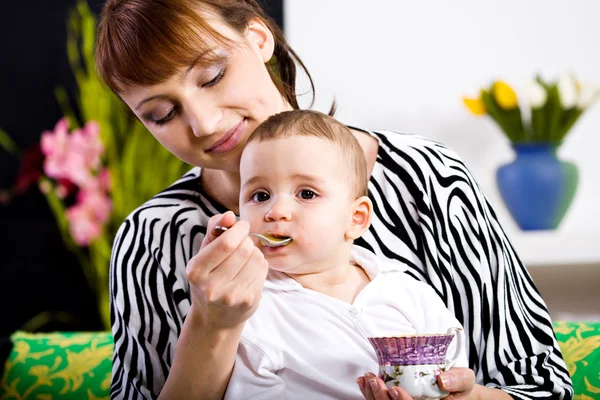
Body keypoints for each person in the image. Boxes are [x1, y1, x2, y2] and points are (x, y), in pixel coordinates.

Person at [94, 1, 573, 399]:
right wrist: (212, 326)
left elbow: (540, 383)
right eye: (161, 114)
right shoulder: (153, 240)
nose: (204, 123)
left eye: (213, 75)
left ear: (259, 39)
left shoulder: (427, 179)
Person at [224, 109, 468, 399]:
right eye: (260, 196)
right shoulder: (253, 312)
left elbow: (454, 372)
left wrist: (451, 386)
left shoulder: (408, 292)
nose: (276, 212)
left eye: (306, 193)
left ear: (356, 218)